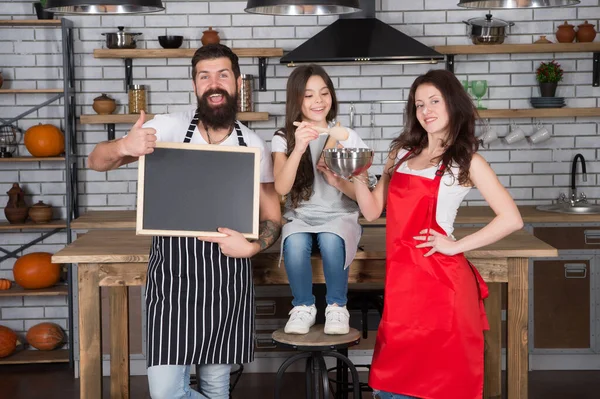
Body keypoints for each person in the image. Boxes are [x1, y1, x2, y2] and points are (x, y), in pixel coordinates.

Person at [87, 44, 282, 399]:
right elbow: (97, 160)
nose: (214, 83)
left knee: (215, 388)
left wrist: (253, 246)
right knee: (165, 393)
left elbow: (272, 217)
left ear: (237, 82)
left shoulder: (252, 144)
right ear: (195, 85)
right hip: (172, 282)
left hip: (225, 278)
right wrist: (126, 146)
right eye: (204, 76)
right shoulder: (168, 128)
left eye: (223, 75)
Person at [351, 69, 524, 399]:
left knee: (444, 384)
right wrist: (357, 177)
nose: (425, 110)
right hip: (403, 285)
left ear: (453, 105)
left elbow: (511, 219)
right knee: (391, 383)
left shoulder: (467, 162)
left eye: (434, 101)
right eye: (418, 104)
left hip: (443, 286)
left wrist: (456, 245)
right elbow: (373, 211)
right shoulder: (401, 154)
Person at [271, 64, 375, 335]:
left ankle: (337, 307)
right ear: (296, 99)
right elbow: (282, 187)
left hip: (338, 215)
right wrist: (300, 146)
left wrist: (338, 181)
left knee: (331, 241)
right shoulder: (283, 138)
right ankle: (303, 306)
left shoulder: (345, 136)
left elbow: (362, 195)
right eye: (308, 95)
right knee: (294, 243)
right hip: (301, 215)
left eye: (324, 93)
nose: (318, 101)